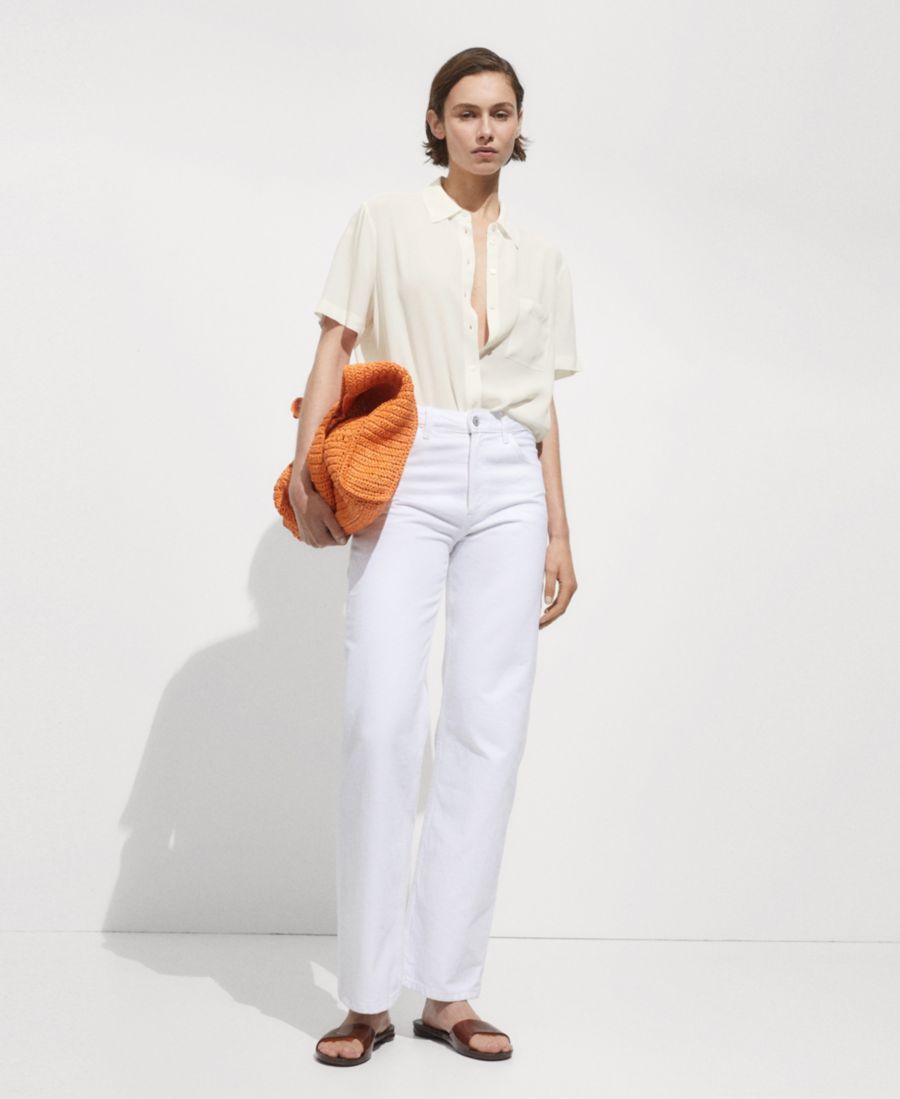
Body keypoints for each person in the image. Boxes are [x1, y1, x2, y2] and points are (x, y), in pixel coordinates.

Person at [289, 46, 581, 1066]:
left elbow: (544, 405)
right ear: (436, 121)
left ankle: (449, 991)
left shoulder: (544, 255)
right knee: (381, 717)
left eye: (501, 112)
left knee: (486, 727)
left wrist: (559, 526)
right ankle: (366, 996)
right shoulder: (383, 222)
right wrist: (305, 472)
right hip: (408, 463)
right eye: (467, 112)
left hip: (507, 475)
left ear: (518, 124)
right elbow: (335, 348)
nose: (485, 129)